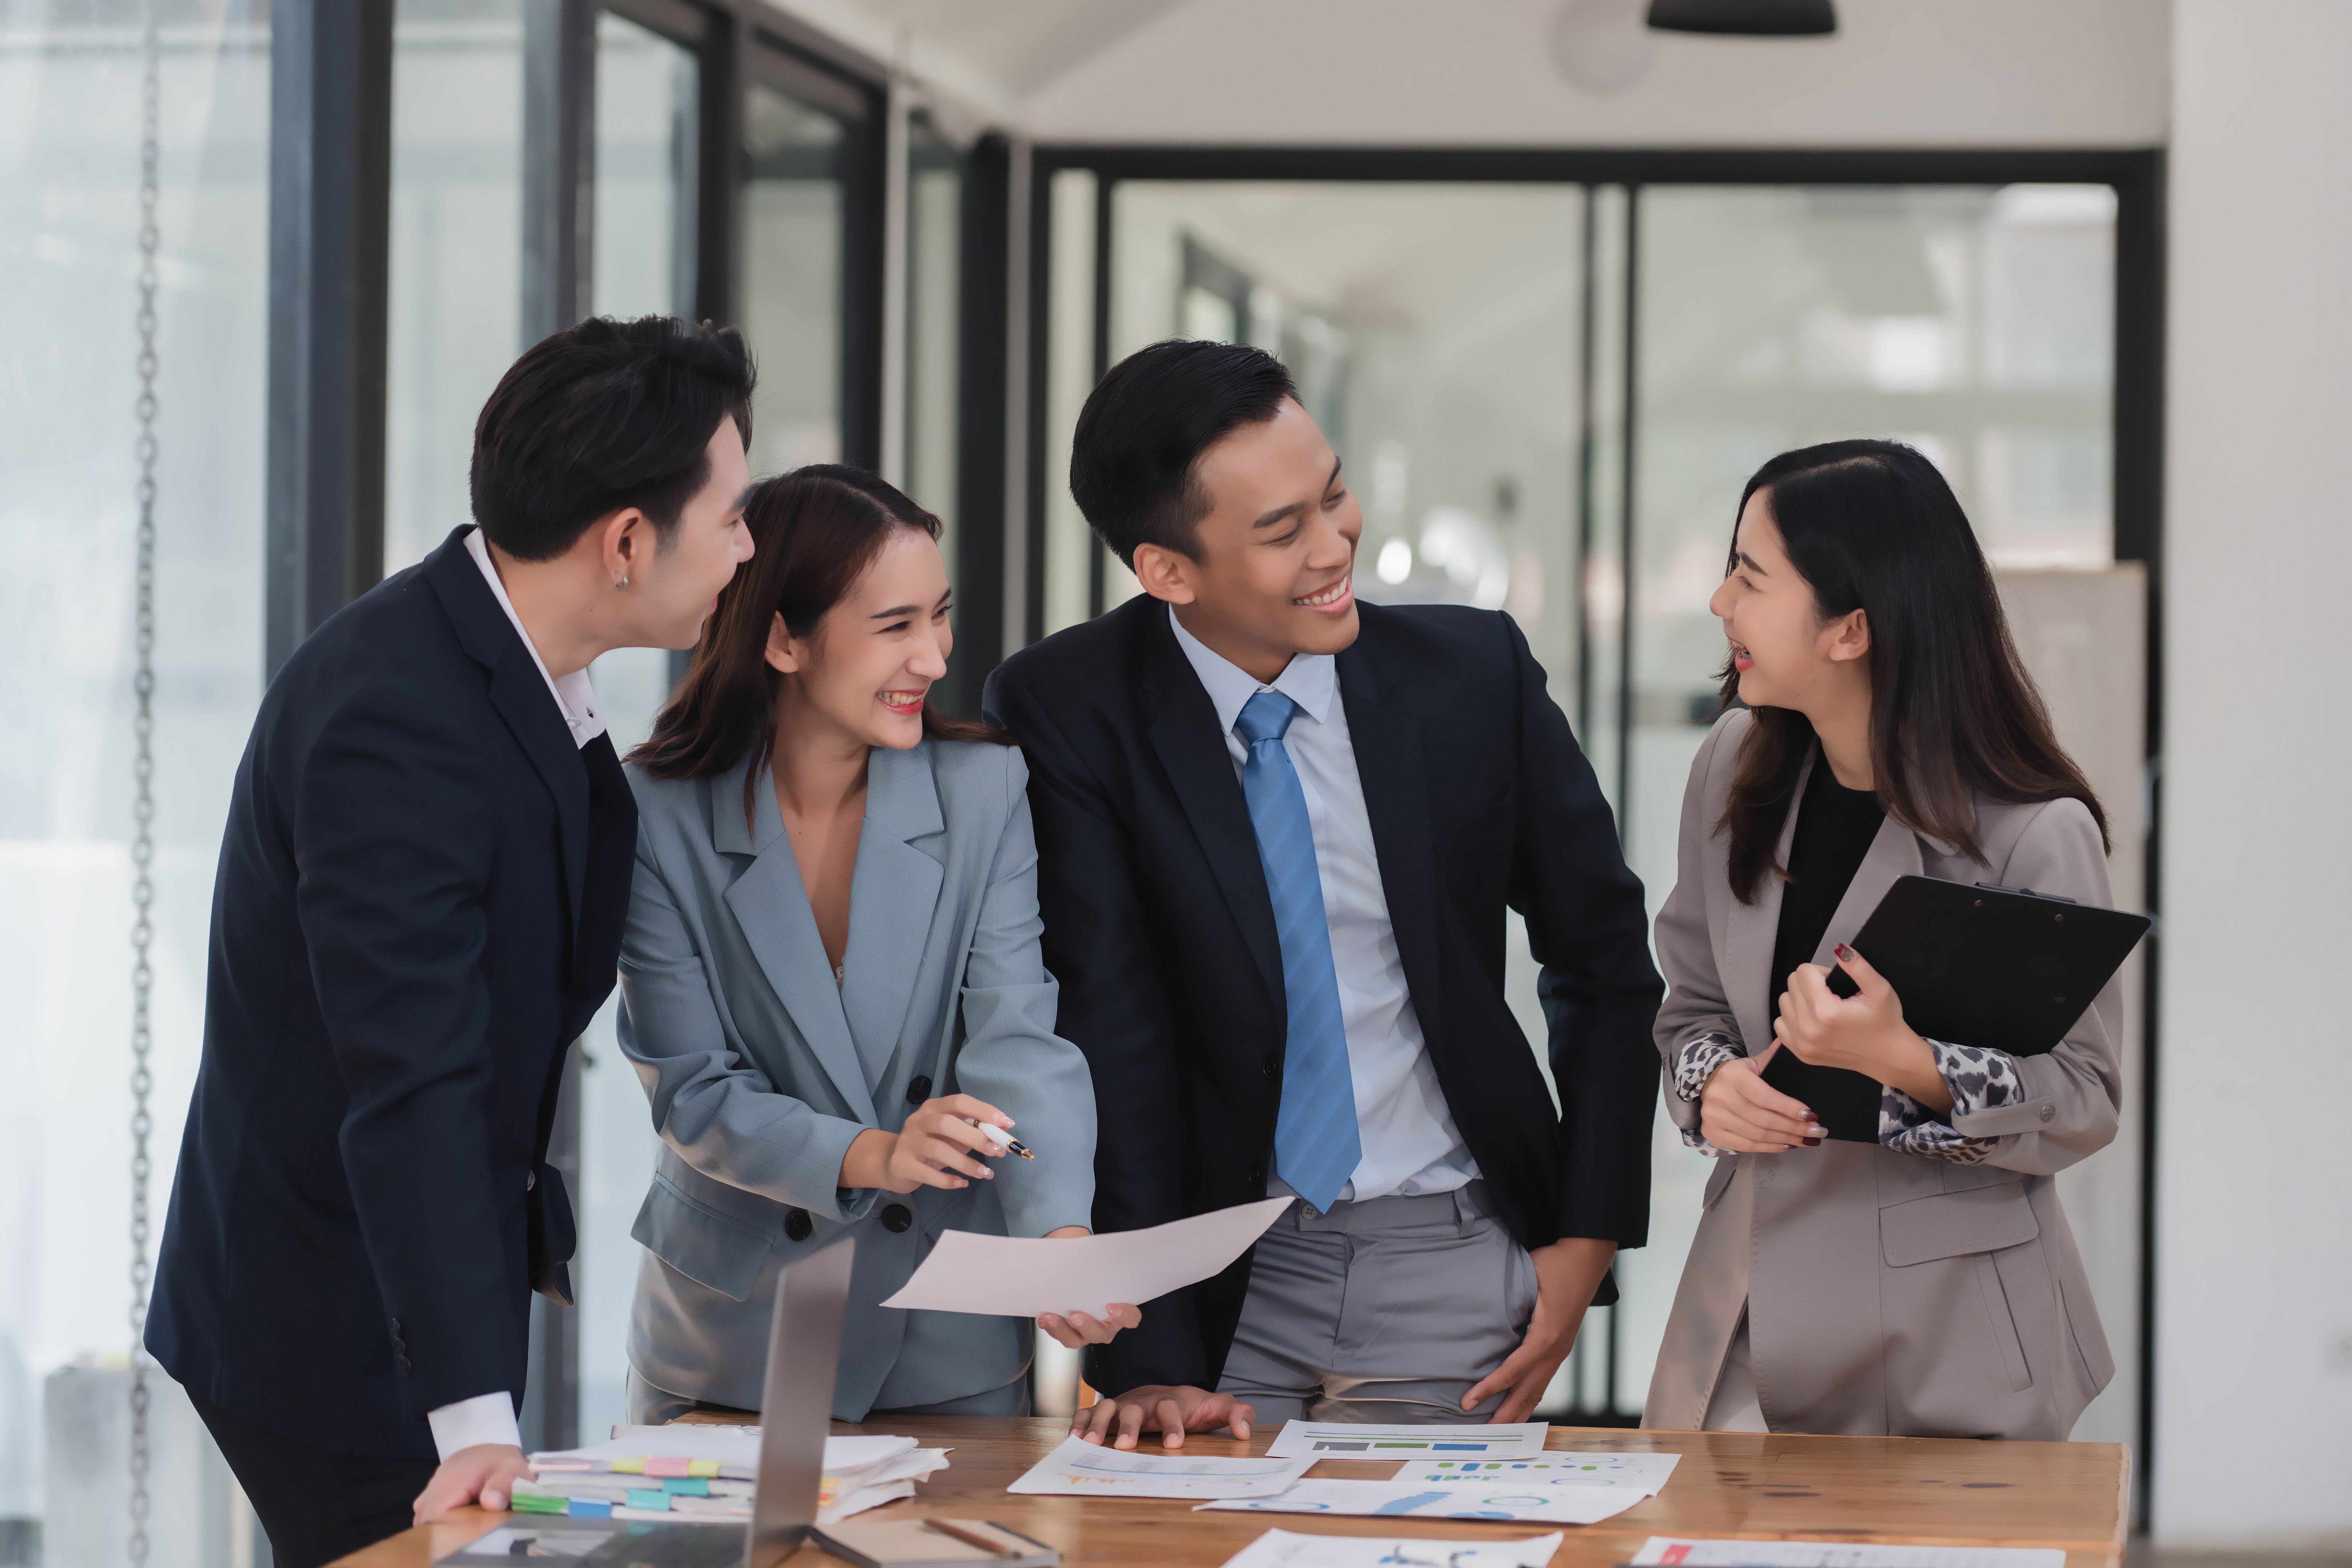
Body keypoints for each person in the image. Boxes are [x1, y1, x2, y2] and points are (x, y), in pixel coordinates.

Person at [145, 316, 757, 1568]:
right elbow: (411, 1069)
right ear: (629, 540)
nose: (750, 549)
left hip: (421, 1288)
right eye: (737, 516)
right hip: (328, 1312)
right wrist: (472, 1409)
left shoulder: (513, 664)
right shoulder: (395, 717)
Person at [984, 340, 1663, 1448]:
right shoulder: (1070, 704)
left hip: (1446, 1255)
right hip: (1208, 1275)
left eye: (1334, 497)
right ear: (1166, 571)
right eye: (1280, 530)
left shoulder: (1472, 676)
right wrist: (1144, 1347)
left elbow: (1602, 957)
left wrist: (1587, 1233)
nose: (1335, 544)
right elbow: (1110, 1019)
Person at [616, 465, 1129, 1424]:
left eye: (940, 617)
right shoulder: (655, 814)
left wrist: (1056, 1225)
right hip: (731, 1346)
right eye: (896, 627)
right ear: (782, 638)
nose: (937, 658)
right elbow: (693, 1089)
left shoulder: (984, 790)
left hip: (944, 1341)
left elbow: (1016, 1046)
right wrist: (877, 1153)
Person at [1643, 439, 2120, 1440]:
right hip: (1745, 1320)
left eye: (1750, 576)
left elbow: (2086, 1100)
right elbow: (1687, 1003)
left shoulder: (2035, 832)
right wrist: (1709, 1087)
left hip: (1946, 1344)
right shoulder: (1733, 765)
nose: (1722, 603)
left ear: (1851, 629)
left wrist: (1906, 1064)